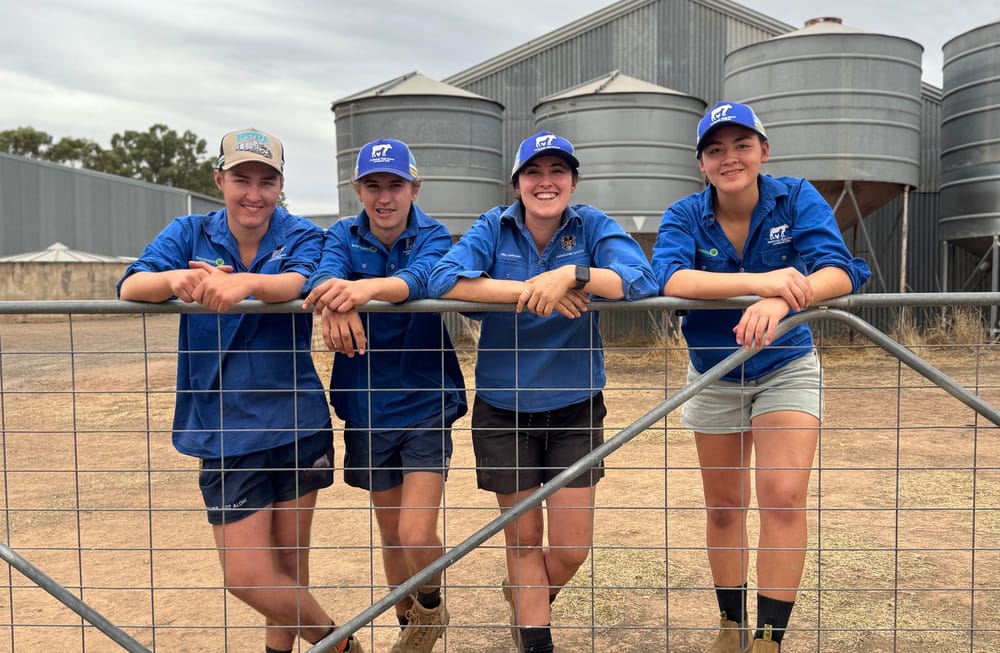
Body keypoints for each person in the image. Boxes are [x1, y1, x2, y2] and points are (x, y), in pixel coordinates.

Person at [117, 128, 361, 653]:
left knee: (290, 566)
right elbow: (131, 284)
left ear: (280, 186)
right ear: (219, 179)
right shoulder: (189, 233)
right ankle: (340, 646)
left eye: (266, 181)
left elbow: (301, 283)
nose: (254, 193)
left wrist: (245, 284)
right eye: (242, 179)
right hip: (224, 430)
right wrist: (176, 280)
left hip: (297, 422)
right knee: (247, 576)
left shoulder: (300, 234)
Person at [651, 102, 871, 653]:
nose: (730, 158)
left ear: (763, 151)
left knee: (783, 495)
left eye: (742, 145)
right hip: (714, 371)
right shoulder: (684, 214)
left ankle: (770, 637)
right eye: (716, 149)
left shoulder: (795, 197)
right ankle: (731, 625)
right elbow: (670, 276)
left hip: (785, 366)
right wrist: (763, 282)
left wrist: (781, 303)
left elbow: (842, 270)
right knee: (724, 505)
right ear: (701, 163)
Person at [427, 131, 658, 653]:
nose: (545, 182)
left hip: (575, 407)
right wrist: (541, 292)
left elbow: (640, 278)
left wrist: (573, 274)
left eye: (557, 171)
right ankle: (536, 639)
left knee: (572, 549)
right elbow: (443, 279)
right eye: (534, 172)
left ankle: (525, 597)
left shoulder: (592, 225)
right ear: (517, 183)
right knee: (524, 538)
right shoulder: (493, 226)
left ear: (573, 181)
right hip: (504, 408)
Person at [302, 138, 467, 653]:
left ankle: (432, 609)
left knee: (417, 533)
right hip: (366, 405)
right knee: (392, 535)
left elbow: (423, 280)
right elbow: (322, 274)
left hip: (424, 402)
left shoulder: (434, 234)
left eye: (395, 184)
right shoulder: (342, 235)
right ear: (358, 190)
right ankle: (409, 630)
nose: (384, 196)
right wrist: (338, 298)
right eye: (373, 185)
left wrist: (361, 291)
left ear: (414, 188)